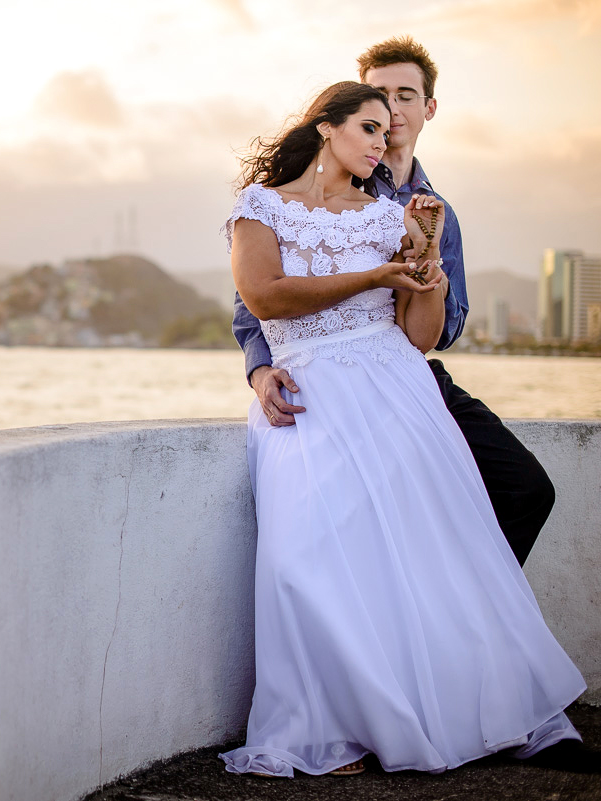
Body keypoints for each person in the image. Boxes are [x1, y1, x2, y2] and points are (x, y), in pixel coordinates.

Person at [217, 80, 585, 778]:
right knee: (306, 562)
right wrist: (370, 280)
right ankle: (337, 723)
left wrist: (430, 262)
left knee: (427, 554)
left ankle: (474, 707)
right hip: (310, 396)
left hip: (397, 391)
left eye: (388, 132)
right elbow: (262, 295)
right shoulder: (259, 209)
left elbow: (419, 335)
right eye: (368, 127)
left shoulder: (395, 217)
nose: (381, 142)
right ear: (326, 128)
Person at [231, 37, 554, 567]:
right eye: (379, 98)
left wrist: (429, 267)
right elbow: (255, 303)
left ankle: (461, 609)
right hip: (319, 374)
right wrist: (260, 370)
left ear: (428, 109)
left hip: (406, 370)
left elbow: (440, 330)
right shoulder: (294, 195)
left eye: (406, 96)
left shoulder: (434, 208)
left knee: (526, 491)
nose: (392, 112)